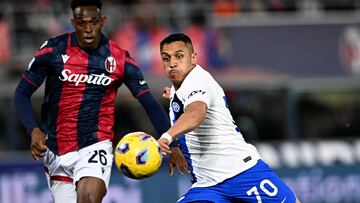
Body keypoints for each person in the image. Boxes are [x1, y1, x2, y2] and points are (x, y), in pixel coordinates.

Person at [13, 0, 185, 203]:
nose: (88, 29)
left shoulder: (119, 59)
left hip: (95, 144)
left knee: (88, 198)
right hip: (56, 148)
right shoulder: (53, 50)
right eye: (81, 22)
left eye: (93, 22)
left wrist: (173, 144)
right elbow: (21, 94)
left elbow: (149, 104)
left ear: (102, 21)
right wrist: (32, 129)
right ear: (73, 22)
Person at [157, 33, 301, 203]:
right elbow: (186, 101)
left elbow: (196, 113)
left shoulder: (197, 81)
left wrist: (167, 137)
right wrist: (173, 95)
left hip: (241, 172)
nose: (172, 63)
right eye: (166, 58)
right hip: (207, 186)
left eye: (179, 56)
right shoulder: (182, 88)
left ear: (193, 58)